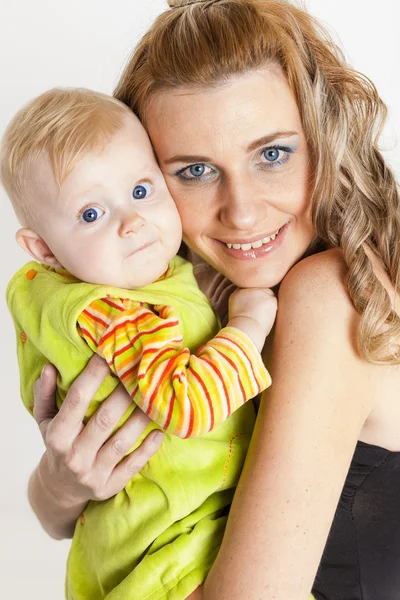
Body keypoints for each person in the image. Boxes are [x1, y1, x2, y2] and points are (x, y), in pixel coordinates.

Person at [26, 0, 400, 598]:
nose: (243, 212)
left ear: (324, 141)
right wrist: (62, 483)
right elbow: (66, 522)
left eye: (273, 155)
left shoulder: (329, 295)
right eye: (195, 170)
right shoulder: (186, 306)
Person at [2, 87, 276, 599]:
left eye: (142, 190)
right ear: (43, 249)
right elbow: (185, 405)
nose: (131, 222)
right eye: (90, 214)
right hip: (170, 553)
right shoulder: (120, 312)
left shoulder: (113, 284)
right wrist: (249, 326)